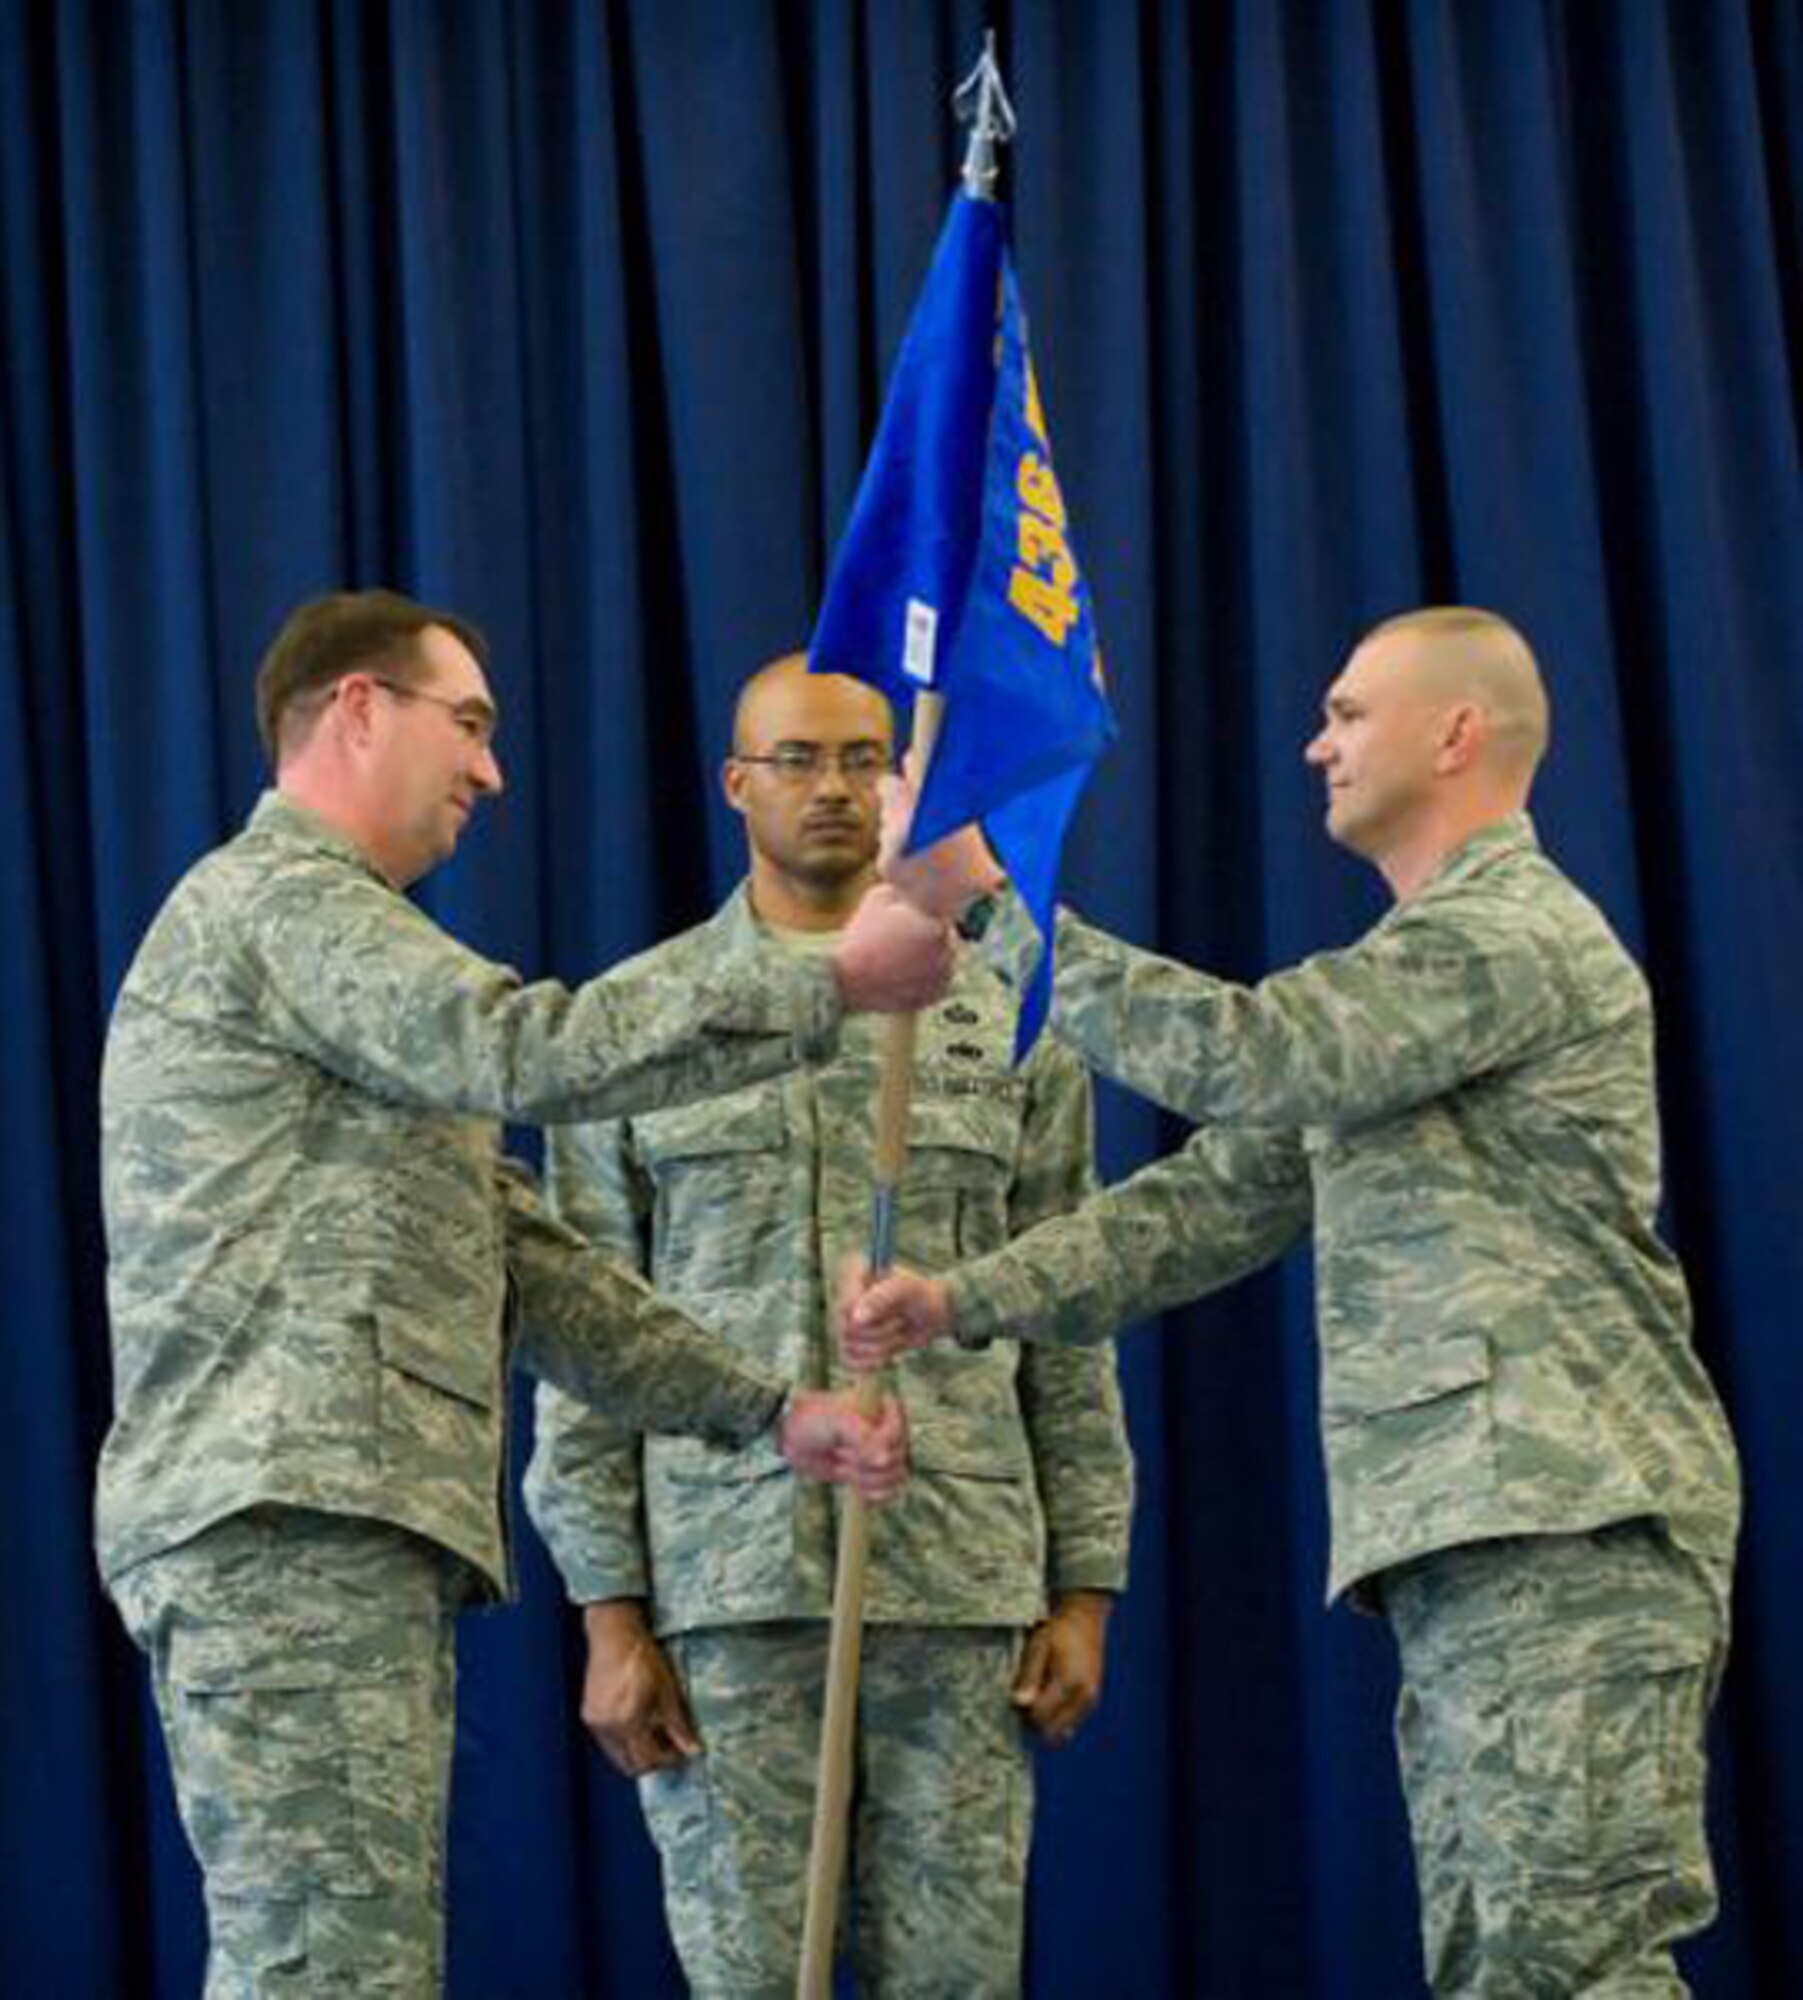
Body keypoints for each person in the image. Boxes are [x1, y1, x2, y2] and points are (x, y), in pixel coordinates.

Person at [845, 607, 1742, 1997]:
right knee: (1507, 1964)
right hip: (1495, 1526)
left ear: (1457, 733)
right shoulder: (1413, 993)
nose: (1316, 743)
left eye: (1349, 711)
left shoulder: (1504, 936)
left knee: (1572, 1964)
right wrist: (959, 1300)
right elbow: (1207, 1206)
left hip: (1572, 1515)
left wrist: (989, 897)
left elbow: (1256, 1058)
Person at [96, 590, 947, 1996]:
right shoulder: (284, 905)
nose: (492, 772)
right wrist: (828, 988)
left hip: (325, 1519)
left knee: (354, 1963)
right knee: (328, 1972)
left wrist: (767, 1413)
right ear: (361, 709)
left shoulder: (344, 971)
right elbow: (526, 1049)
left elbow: (532, 1269)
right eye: (470, 725)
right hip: (281, 1515)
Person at [523, 653, 1134, 1998]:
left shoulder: (1007, 1012)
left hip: (960, 1581)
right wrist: (609, 1616)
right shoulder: (641, 1023)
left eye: (867, 758)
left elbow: (1072, 1311)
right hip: (724, 1591)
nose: (836, 788)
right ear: (736, 784)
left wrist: (1084, 1589)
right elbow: (584, 1338)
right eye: (797, 760)